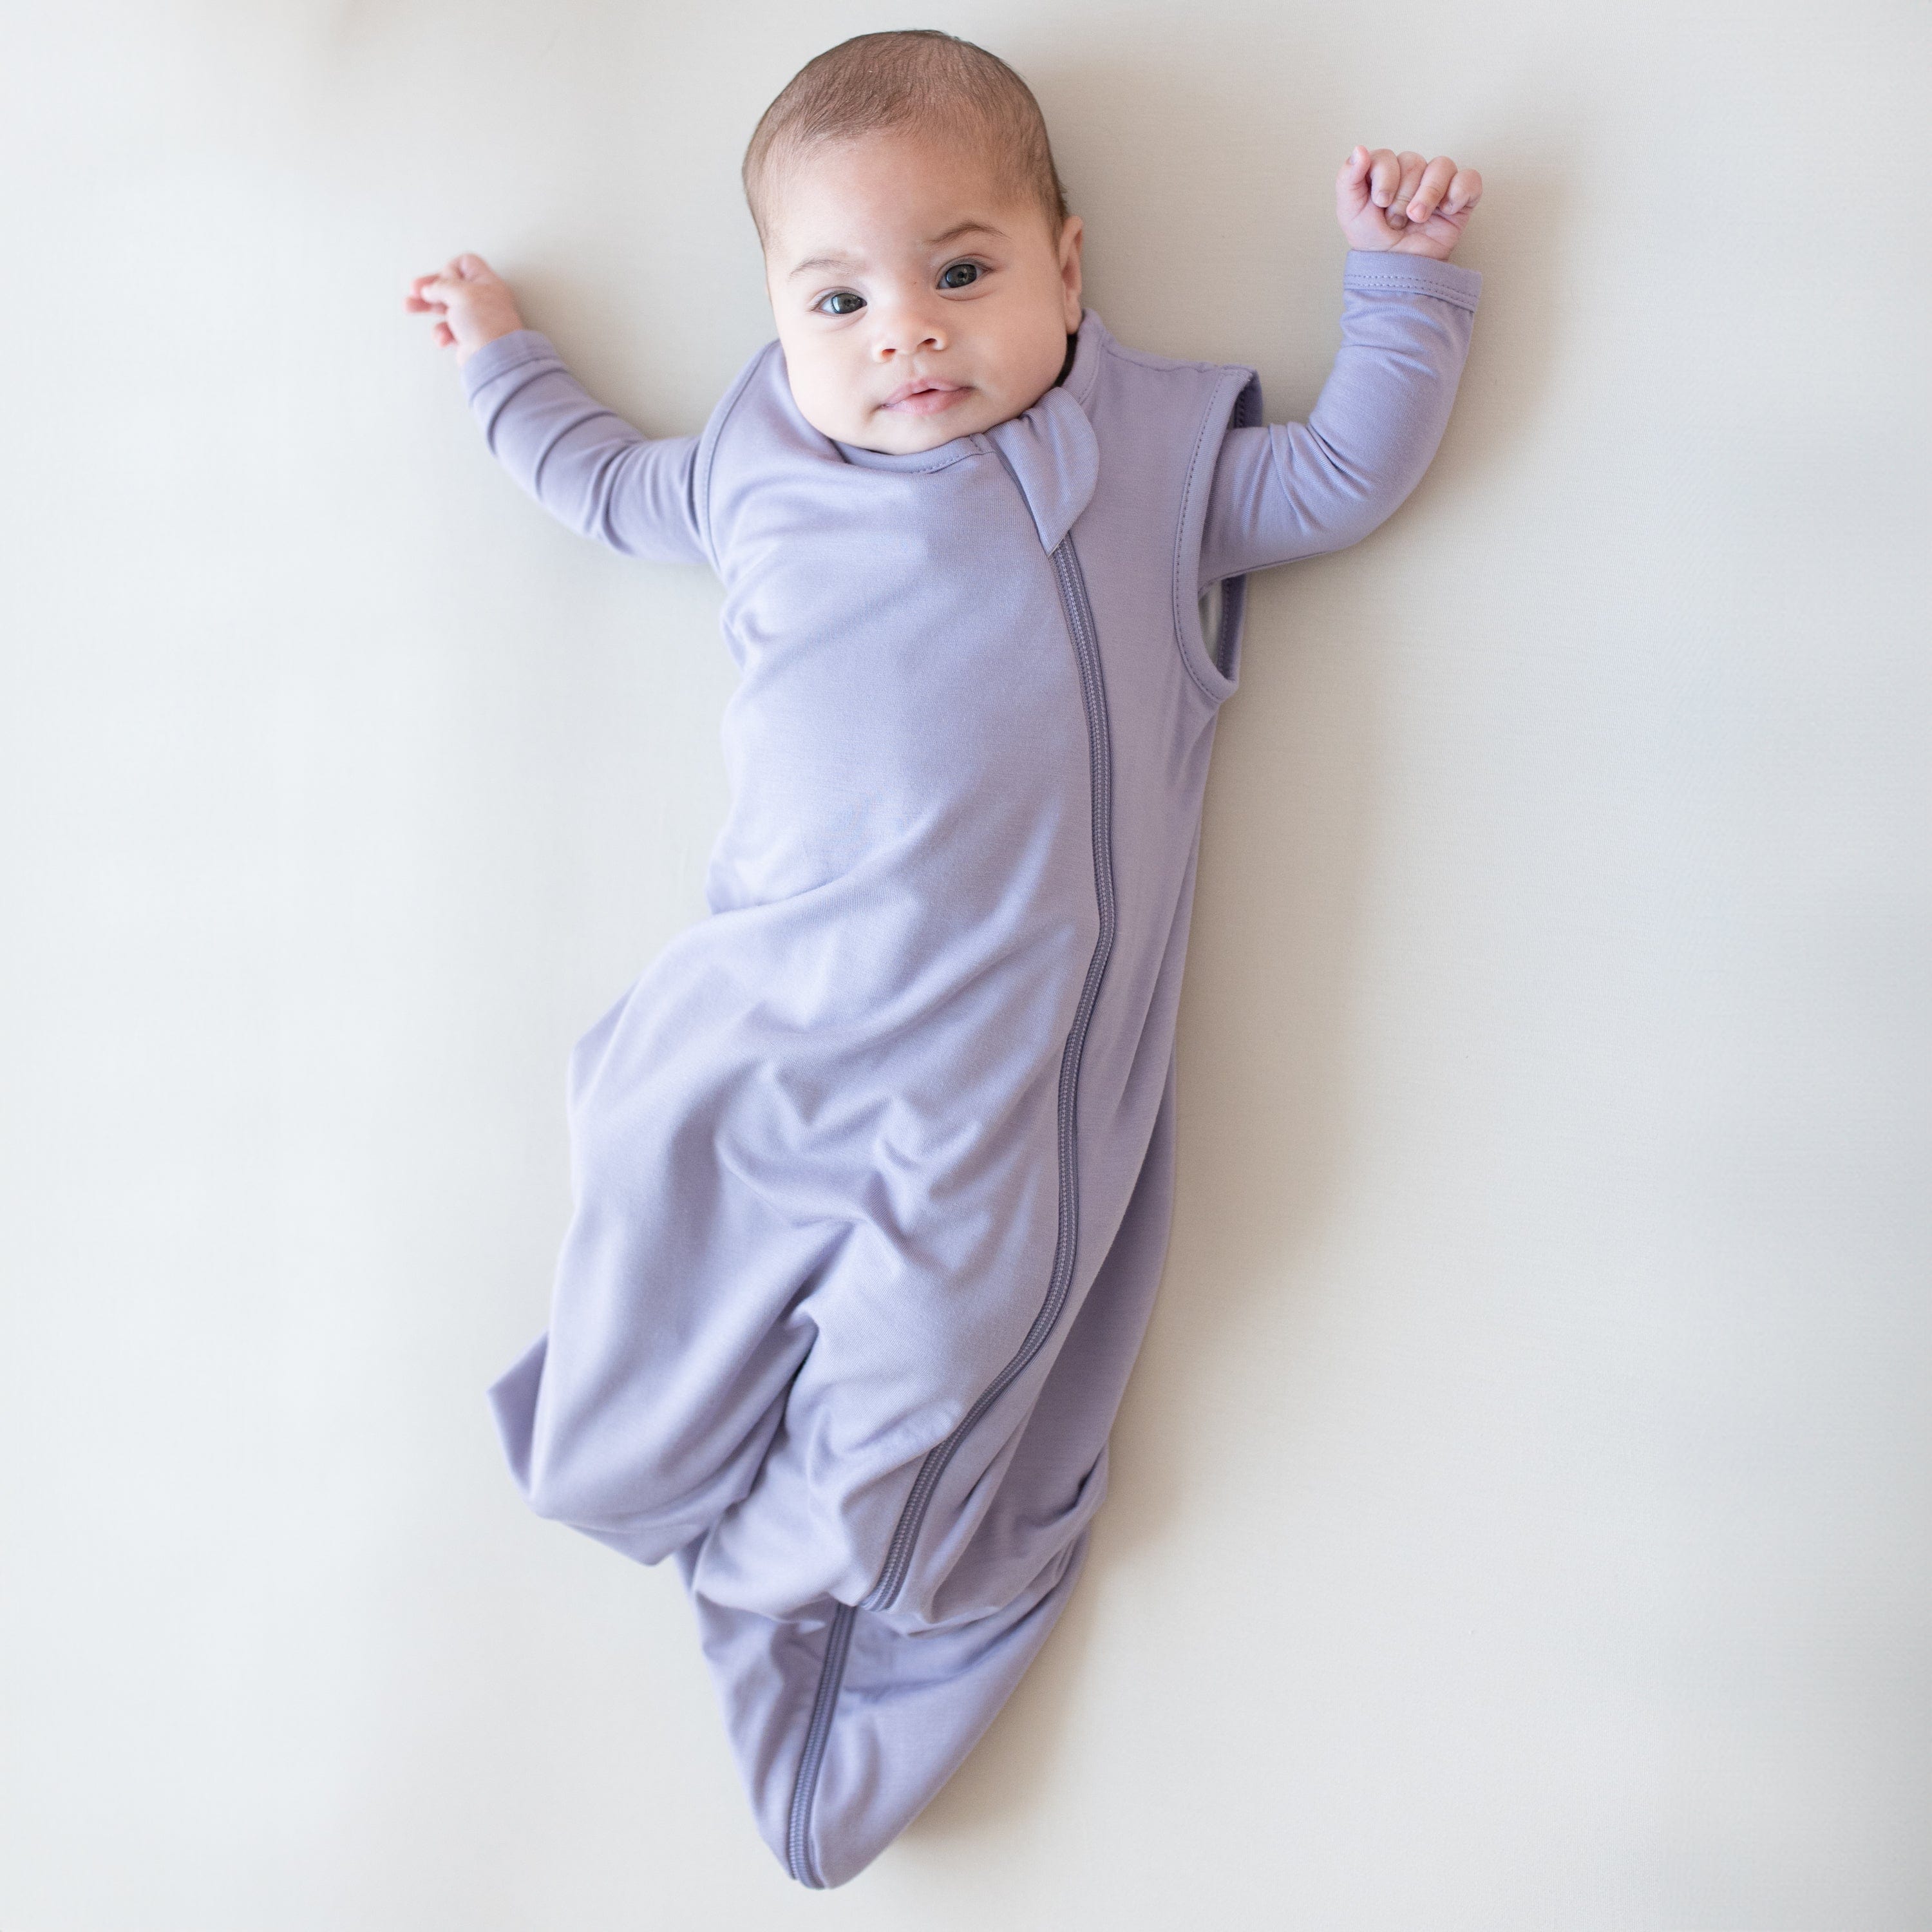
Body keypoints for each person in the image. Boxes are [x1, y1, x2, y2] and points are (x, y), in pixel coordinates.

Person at [405, 28, 1482, 1889]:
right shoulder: (751, 464)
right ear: (776, 316)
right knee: (651, 1216)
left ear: (1070, 267)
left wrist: (1403, 292)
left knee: (939, 1357)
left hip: (996, 1065)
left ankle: (807, 1590)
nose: (903, 334)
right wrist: (503, 363)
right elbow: (598, 484)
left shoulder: (1131, 470)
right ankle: (629, 1470)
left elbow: (1326, 487)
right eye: (838, 297)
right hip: (759, 1004)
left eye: (960, 273)